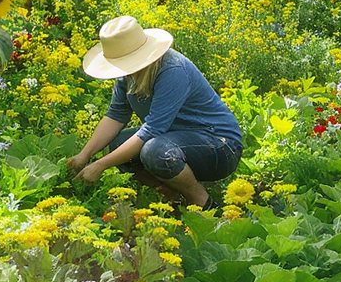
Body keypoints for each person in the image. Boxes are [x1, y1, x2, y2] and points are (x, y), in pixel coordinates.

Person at [66, 15, 243, 207]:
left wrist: (101, 165)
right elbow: (116, 115)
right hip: (175, 139)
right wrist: (84, 155)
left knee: (156, 151)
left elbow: (152, 130)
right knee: (118, 145)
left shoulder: (172, 69)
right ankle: (170, 195)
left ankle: (202, 202)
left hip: (219, 145)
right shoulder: (127, 75)